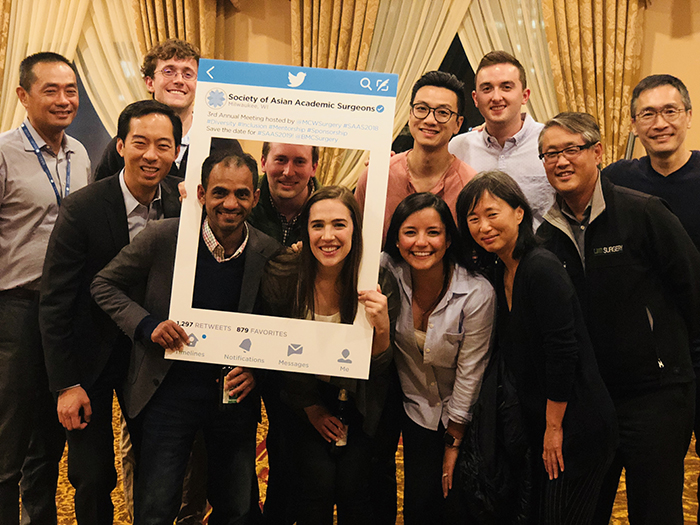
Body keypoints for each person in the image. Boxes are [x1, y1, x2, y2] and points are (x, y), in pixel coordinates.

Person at [91, 150, 279, 524]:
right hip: (168, 390)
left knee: (237, 506)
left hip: (233, 395)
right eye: (220, 192)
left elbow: (276, 324)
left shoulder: (267, 252)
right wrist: (147, 325)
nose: (230, 203)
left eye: (242, 194)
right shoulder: (164, 236)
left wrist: (258, 371)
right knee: (157, 506)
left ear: (256, 198)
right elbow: (104, 284)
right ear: (200, 193)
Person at [536, 112, 700, 524]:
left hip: (656, 397)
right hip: (590, 402)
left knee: (656, 512)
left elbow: (693, 293)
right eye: (550, 154)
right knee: (583, 511)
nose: (560, 161)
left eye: (571, 149)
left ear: (597, 152)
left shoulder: (644, 213)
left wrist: (683, 372)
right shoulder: (545, 237)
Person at [39, 99, 183, 524]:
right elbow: (56, 301)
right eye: (140, 143)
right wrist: (66, 384)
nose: (151, 155)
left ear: (176, 151)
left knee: (158, 470)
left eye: (164, 145)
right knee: (93, 475)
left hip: (156, 356)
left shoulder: (185, 201)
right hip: (91, 358)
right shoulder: (83, 208)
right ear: (121, 146)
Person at [458, 170, 618, 523]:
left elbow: (563, 352)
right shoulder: (502, 271)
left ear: (519, 212)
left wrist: (553, 428)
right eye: (473, 218)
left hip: (576, 423)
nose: (483, 226)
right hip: (547, 422)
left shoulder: (540, 267)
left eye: (492, 213)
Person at [261, 186, 397, 525]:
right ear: (305, 230)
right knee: (315, 486)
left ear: (355, 229)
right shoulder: (284, 275)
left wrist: (381, 328)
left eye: (339, 224)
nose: (328, 236)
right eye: (317, 225)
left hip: (359, 397)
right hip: (302, 395)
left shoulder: (376, 280)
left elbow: (379, 371)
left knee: (354, 487)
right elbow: (279, 351)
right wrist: (312, 409)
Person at [602, 74, 700, 519]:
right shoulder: (615, 180)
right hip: (653, 361)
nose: (660, 123)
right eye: (648, 114)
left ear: (688, 116)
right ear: (634, 125)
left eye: (670, 111)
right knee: (658, 478)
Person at [0, 51, 91, 525]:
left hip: (66, 313)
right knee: (8, 437)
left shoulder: (80, 153)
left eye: (70, 90)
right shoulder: (3, 151)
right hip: (15, 309)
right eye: (50, 90)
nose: (63, 99)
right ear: (23, 96)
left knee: (48, 438)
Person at [381, 192, 495, 524]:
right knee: (419, 506)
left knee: (459, 506)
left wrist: (454, 440)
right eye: (410, 232)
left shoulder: (476, 293)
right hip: (415, 410)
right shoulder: (387, 272)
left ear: (448, 239)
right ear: (397, 239)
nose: (421, 242)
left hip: (466, 418)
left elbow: (470, 373)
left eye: (433, 232)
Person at [92, 38, 242, 183]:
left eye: (188, 74)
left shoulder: (225, 144)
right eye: (168, 72)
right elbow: (100, 198)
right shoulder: (127, 144)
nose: (178, 80)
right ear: (150, 83)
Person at [355, 71, 476, 242]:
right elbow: (355, 243)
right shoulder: (377, 176)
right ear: (410, 115)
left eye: (442, 112)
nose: (430, 119)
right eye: (421, 109)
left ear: (458, 124)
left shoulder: (469, 187)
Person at [449, 50, 554, 226]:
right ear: (476, 98)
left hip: (540, 252)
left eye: (506, 87)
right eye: (487, 88)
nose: (496, 97)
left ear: (525, 95)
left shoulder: (550, 143)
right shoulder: (458, 148)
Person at [248, 142, 321, 246]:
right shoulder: (244, 197)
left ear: (313, 168)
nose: (288, 172)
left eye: (299, 162)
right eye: (281, 160)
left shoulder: (333, 209)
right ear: (264, 163)